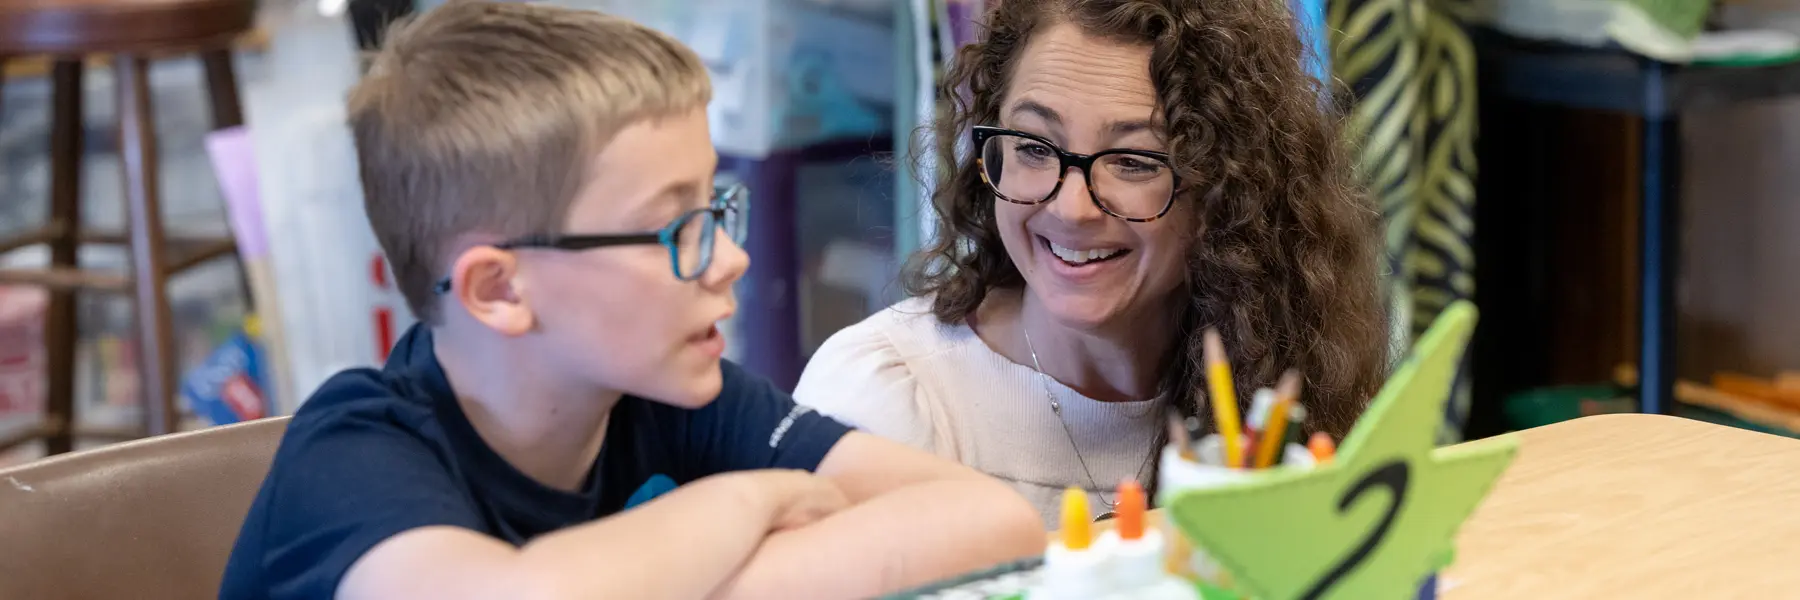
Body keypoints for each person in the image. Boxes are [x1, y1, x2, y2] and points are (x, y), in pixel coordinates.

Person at [218, 3, 1044, 599]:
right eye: (676, 227)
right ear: (499, 289)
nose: (732, 258)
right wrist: (746, 502)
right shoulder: (355, 455)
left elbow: (987, 520)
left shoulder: (677, 400)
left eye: (717, 209)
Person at [794, 0, 1390, 523]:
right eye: (1033, 147)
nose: (1071, 207)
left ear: (1228, 192)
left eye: (1133, 160)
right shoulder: (885, 405)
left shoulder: (1282, 382)